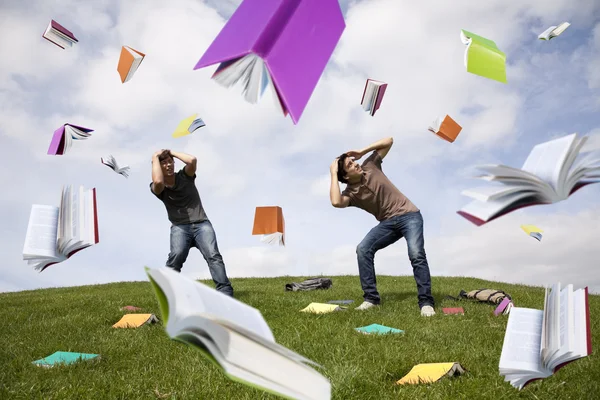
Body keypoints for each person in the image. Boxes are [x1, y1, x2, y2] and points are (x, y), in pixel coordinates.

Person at [329, 137, 435, 316]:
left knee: (416, 253)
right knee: (363, 249)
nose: (355, 164)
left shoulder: (370, 165)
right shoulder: (351, 194)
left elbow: (389, 141)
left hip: (410, 216)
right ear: (346, 176)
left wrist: (362, 151)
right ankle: (371, 299)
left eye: (353, 161)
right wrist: (333, 174)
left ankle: (426, 302)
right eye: (350, 165)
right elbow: (336, 202)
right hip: (387, 223)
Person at [150, 149, 234, 297]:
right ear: (158, 166)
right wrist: (155, 156)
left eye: (170, 162)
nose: (168, 165)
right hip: (179, 227)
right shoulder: (158, 187)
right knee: (176, 256)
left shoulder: (185, 176)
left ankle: (225, 292)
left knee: (213, 255)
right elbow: (158, 181)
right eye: (164, 163)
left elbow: (192, 160)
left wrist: (171, 152)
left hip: (202, 224)